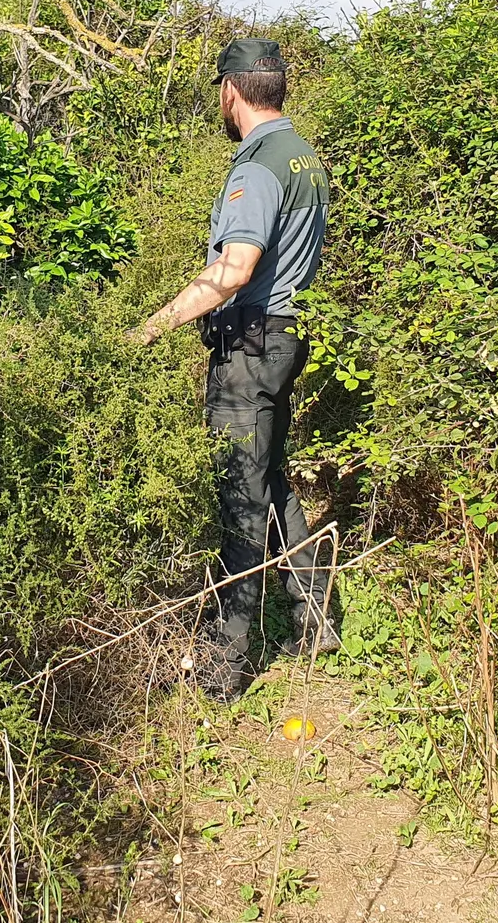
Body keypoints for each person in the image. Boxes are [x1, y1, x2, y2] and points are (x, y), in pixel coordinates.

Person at [131, 38, 336, 699]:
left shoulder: (258, 165)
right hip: (286, 338)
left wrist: (152, 325)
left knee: (241, 500)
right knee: (268, 477)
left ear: (229, 90)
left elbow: (235, 269)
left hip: (249, 347)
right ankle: (315, 617)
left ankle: (227, 666)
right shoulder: (304, 156)